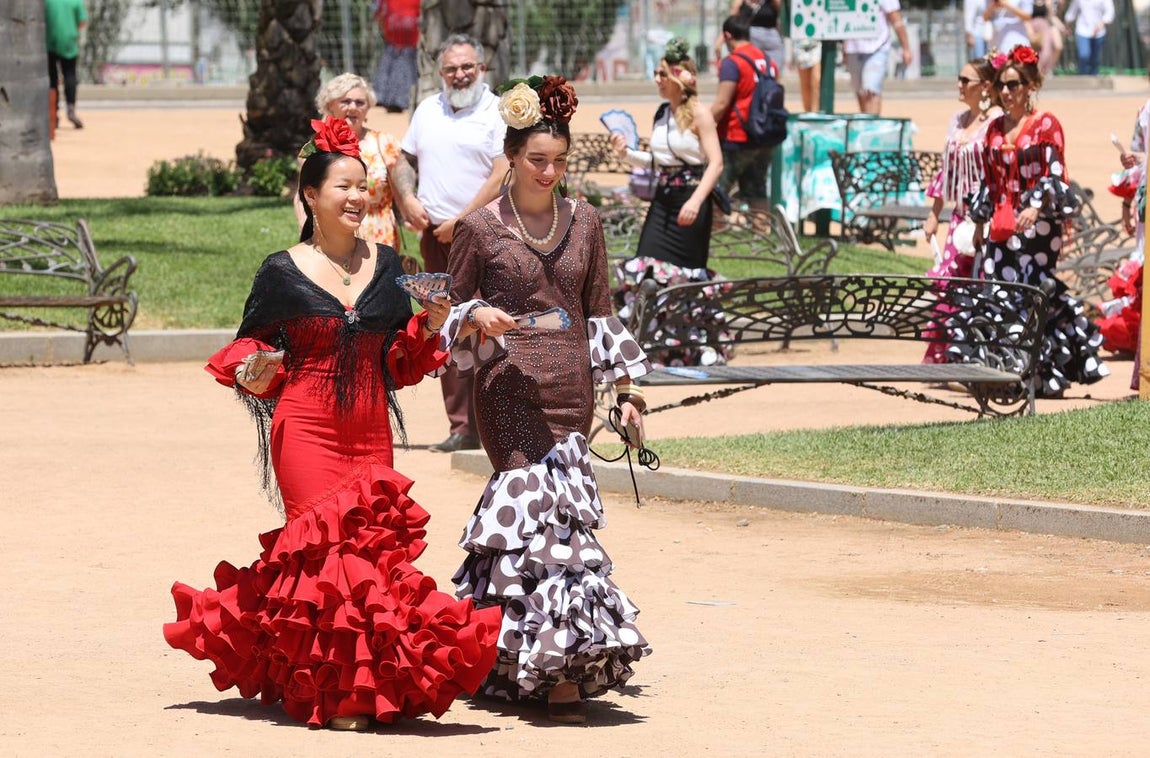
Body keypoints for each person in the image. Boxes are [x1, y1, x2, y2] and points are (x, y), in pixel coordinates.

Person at [163, 116, 502, 731]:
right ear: (311, 196)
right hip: (306, 427)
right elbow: (244, 348)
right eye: (341, 186)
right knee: (326, 556)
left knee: (370, 560)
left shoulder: (391, 263)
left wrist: (428, 324)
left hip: (370, 426)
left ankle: (367, 684)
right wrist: (256, 370)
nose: (355, 197)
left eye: (362, 186)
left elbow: (399, 363)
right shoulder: (281, 270)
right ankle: (341, 696)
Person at [440, 75, 651, 724]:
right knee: (537, 520)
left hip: (571, 394)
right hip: (504, 394)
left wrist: (627, 392)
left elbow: (600, 311)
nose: (549, 172)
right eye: (537, 160)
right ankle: (555, 671)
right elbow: (447, 320)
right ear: (511, 156)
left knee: (562, 524)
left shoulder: (585, 220)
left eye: (559, 161)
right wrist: (478, 316)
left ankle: (513, 656)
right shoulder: (479, 228)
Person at [961, 45, 1109, 396]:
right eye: (1002, 85)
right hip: (1001, 225)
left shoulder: (1045, 124)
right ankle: (1009, 374)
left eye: (1014, 85)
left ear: (1030, 87)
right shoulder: (994, 128)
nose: (1007, 92)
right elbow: (989, 180)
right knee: (999, 293)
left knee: (1035, 294)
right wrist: (980, 225)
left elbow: (1055, 175)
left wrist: (1036, 205)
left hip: (1038, 229)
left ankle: (1046, 373)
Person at [392, 33, 508, 454]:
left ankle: (496, 423)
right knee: (445, 325)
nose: (460, 75)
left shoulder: (497, 111)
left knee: (486, 326)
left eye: (468, 67)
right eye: (452, 69)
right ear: (441, 73)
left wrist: (464, 220)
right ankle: (462, 427)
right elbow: (404, 161)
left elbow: (501, 173)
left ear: (482, 69)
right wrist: (407, 198)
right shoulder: (427, 109)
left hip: (484, 237)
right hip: (435, 239)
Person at [611, 38, 728, 367]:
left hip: (691, 200)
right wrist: (626, 153)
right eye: (655, 73)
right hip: (663, 202)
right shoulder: (662, 113)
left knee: (686, 276)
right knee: (646, 266)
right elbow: (657, 161)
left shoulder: (701, 114)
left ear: (679, 77)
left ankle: (690, 349)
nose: (657, 80)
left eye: (662, 73)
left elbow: (715, 163)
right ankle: (650, 345)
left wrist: (695, 200)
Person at [922, 57, 1001, 364]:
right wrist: (934, 213)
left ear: (984, 86)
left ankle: (977, 358)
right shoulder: (958, 120)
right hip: (959, 219)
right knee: (951, 287)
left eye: (965, 80)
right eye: (959, 79)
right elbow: (947, 171)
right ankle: (951, 358)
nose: (959, 85)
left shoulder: (995, 122)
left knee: (980, 286)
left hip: (985, 219)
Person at [295, 73, 403, 250]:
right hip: (331, 238)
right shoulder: (317, 146)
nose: (353, 107)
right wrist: (305, 224)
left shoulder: (385, 143)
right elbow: (302, 194)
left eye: (360, 102)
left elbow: (400, 192)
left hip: (379, 237)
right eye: (346, 101)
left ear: (368, 107)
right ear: (331, 105)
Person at [711, 15, 774, 214]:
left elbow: (722, 103)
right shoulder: (767, 61)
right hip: (763, 135)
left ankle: (717, 236)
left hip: (735, 137)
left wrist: (699, 127)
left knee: (717, 192)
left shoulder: (732, 62)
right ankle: (759, 238)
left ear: (727, 35)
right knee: (757, 193)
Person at [842, 0, 913, 115]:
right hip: (853, 48)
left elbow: (897, 21)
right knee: (860, 92)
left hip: (877, 48)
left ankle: (872, 128)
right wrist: (845, 48)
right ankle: (866, 124)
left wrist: (906, 48)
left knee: (871, 90)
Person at [45, 0, 88, 129]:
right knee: (70, 74)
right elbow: (82, 21)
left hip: (50, 42)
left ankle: (53, 113)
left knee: (52, 78)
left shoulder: (47, 2)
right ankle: (70, 109)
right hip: (69, 42)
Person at [372, 0, 419, 112]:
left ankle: (402, 101)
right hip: (393, 40)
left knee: (407, 71)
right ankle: (386, 99)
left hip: (412, 42)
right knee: (390, 68)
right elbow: (380, 15)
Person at [713, 0, 785, 71]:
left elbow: (777, 17)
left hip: (771, 39)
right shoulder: (740, 2)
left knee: (773, 72)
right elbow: (731, 21)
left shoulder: (771, 2)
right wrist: (721, 39)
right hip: (748, 38)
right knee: (749, 71)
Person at [1064, 0, 1114, 76]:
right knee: (1084, 55)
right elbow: (1072, 11)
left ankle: (1094, 78)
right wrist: (1067, 25)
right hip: (1082, 30)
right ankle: (1083, 77)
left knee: (1095, 58)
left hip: (1098, 32)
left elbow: (1110, 11)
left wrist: (1102, 23)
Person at [1028, 0, 1066, 77]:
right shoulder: (1029, 2)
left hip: (1044, 27)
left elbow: (1051, 17)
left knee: (1046, 51)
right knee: (1032, 51)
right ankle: (1033, 71)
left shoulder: (1047, 2)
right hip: (1030, 27)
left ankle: (1045, 70)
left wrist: (1062, 27)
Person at [792, 38, 822, 113]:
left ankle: (815, 112)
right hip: (800, 43)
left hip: (816, 42)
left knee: (816, 81)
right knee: (805, 84)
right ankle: (808, 112)